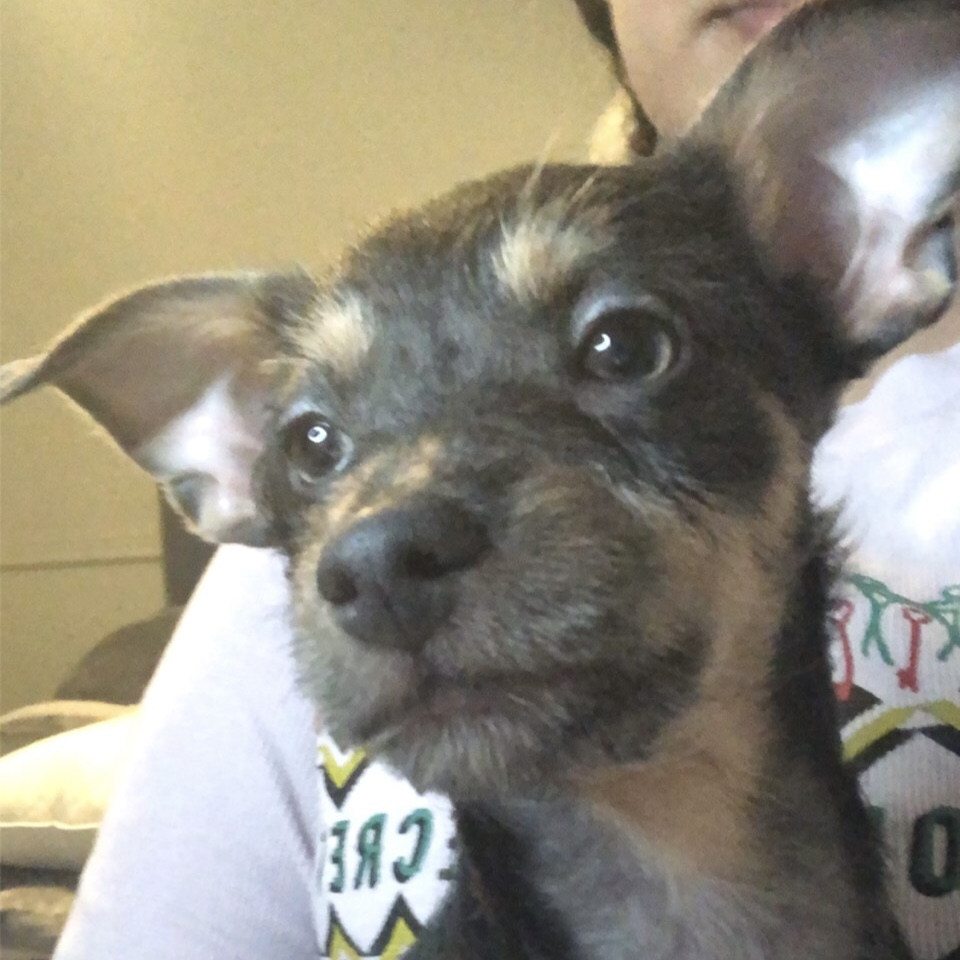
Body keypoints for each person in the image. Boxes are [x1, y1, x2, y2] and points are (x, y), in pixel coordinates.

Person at [53, 2, 960, 958]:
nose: (378, 541)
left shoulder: (773, 231)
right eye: (317, 448)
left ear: (842, 234)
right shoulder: (254, 609)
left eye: (621, 351)